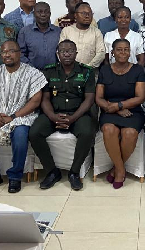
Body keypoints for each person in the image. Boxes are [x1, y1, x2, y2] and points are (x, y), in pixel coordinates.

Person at [0, 41, 46, 194]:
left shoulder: (32, 73)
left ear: (19, 53)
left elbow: (35, 101)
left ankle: (15, 176)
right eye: (4, 52)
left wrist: (13, 116)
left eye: (11, 51)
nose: (7, 54)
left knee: (20, 135)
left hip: (22, 115)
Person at [29, 40, 96, 191]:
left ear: (76, 53)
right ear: (57, 54)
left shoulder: (87, 71)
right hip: (53, 113)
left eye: (70, 51)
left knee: (87, 132)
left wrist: (73, 118)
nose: (67, 53)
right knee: (34, 133)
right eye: (63, 51)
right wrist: (52, 116)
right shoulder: (48, 71)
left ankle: (74, 172)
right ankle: (52, 171)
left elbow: (89, 99)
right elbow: (45, 98)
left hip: (78, 113)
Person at [95, 39, 145, 189]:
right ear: (112, 52)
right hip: (109, 109)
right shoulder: (105, 70)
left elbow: (140, 97)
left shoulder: (137, 70)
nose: (123, 53)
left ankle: (116, 169)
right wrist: (115, 108)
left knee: (129, 132)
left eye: (126, 50)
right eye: (119, 49)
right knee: (109, 129)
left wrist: (120, 105)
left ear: (130, 52)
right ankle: (121, 170)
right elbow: (98, 97)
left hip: (132, 111)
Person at [59, 2, 105, 69]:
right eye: (83, 13)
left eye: (90, 13)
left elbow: (101, 53)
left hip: (90, 72)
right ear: (75, 15)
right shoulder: (66, 31)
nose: (87, 16)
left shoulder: (96, 32)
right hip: (68, 72)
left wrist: (88, 67)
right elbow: (60, 51)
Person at [19, 1, 61, 70]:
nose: (43, 14)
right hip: (31, 73)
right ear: (34, 14)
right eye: (39, 12)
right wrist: (31, 68)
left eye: (46, 12)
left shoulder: (58, 31)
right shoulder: (24, 32)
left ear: (50, 14)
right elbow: (20, 54)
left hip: (55, 73)